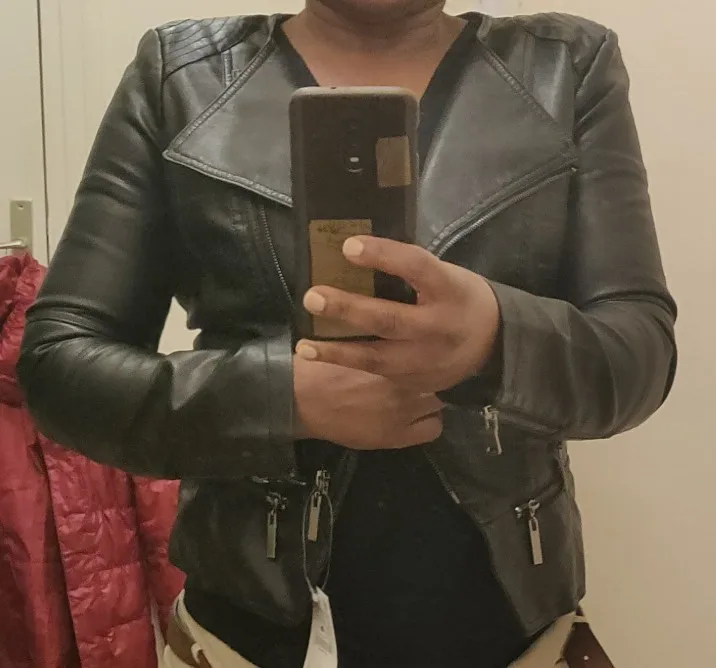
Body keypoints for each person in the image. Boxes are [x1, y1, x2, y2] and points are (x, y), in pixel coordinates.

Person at [18, 1, 677, 667]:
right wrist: (277, 398)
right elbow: (58, 364)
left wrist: (497, 339)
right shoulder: (180, 75)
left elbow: (639, 350)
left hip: (521, 645)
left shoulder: (566, 69)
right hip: (238, 645)